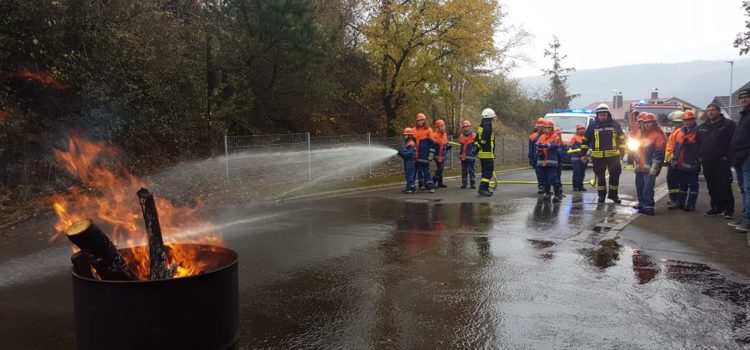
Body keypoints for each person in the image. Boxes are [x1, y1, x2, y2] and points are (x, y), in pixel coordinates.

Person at [581, 103, 627, 203]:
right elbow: (585, 141)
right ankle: (601, 196)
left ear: (608, 114)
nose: (602, 115)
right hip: (598, 157)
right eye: (600, 114)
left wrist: (622, 152)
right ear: (597, 115)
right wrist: (583, 154)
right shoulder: (592, 126)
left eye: (604, 114)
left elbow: (622, 139)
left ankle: (613, 195)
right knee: (600, 178)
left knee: (615, 176)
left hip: (613, 157)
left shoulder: (615, 124)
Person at [697, 103, 737, 220]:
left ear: (719, 111)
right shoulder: (702, 127)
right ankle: (716, 207)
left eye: (713, 110)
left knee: (724, 185)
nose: (710, 112)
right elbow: (698, 143)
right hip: (707, 161)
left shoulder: (728, 125)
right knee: (712, 185)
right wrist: (701, 155)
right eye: (708, 110)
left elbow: (734, 142)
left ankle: (728, 209)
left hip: (721, 161)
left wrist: (729, 157)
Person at [633, 113, 666, 215]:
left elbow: (659, 153)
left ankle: (648, 207)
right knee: (640, 186)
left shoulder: (657, 136)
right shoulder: (642, 135)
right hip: (640, 168)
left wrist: (655, 168)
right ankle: (642, 204)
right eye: (645, 123)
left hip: (650, 168)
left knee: (647, 188)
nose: (646, 125)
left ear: (654, 123)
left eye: (649, 122)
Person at [669, 110, 700, 211]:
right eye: (685, 120)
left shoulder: (698, 132)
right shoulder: (680, 133)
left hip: (693, 165)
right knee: (682, 185)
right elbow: (676, 148)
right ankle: (680, 203)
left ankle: (691, 204)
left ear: (693, 120)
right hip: (681, 164)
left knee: (693, 186)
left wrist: (698, 161)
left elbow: (701, 148)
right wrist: (674, 159)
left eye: (689, 120)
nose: (686, 122)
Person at [730, 89, 750, 232]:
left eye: (746, 97)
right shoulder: (744, 115)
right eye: (741, 98)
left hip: (747, 156)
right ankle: (745, 216)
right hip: (739, 157)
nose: (743, 100)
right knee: (743, 189)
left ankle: (748, 220)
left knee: (748, 189)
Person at [536, 120, 563, 202]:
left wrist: (546, 145)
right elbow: (537, 144)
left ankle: (557, 195)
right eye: (546, 128)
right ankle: (547, 193)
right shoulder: (542, 136)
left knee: (553, 179)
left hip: (551, 161)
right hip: (542, 161)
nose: (547, 130)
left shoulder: (555, 136)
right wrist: (539, 148)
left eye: (549, 128)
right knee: (545, 179)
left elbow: (555, 144)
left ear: (552, 128)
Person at [664, 111, 685, 207]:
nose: (671, 123)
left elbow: (677, 148)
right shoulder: (676, 131)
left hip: (675, 162)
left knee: (674, 181)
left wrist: (673, 159)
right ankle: (674, 199)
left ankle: (676, 200)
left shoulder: (680, 132)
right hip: (672, 161)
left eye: (674, 122)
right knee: (672, 180)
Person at [475, 108, 496, 197]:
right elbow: (484, 140)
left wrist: (477, 147)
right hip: (487, 153)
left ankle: (485, 188)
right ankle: (482, 189)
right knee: (488, 172)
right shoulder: (487, 126)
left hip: (482, 153)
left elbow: (477, 139)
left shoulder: (481, 126)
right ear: (490, 117)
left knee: (485, 172)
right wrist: (480, 145)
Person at [413, 113, 434, 190]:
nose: (420, 121)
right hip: (415, 155)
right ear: (417, 121)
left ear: (424, 120)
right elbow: (411, 142)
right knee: (415, 172)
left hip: (425, 154)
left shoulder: (428, 130)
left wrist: (431, 156)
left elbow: (432, 144)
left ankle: (430, 186)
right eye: (419, 120)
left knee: (426, 172)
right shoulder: (414, 130)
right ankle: (413, 186)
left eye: (422, 120)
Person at [431, 119, 451, 188]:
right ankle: (433, 182)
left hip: (443, 154)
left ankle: (440, 183)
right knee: (440, 168)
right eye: (441, 126)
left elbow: (445, 143)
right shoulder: (434, 135)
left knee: (441, 169)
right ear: (437, 127)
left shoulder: (444, 134)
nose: (443, 127)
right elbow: (433, 146)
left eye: (443, 126)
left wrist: (448, 146)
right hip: (437, 155)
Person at [396, 127, 417, 194]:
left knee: (410, 175)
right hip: (407, 161)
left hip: (410, 162)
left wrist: (401, 152)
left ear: (410, 135)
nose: (404, 136)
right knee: (407, 175)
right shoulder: (407, 143)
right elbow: (404, 153)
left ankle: (412, 188)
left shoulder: (411, 143)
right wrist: (400, 151)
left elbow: (409, 154)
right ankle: (408, 187)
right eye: (404, 135)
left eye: (405, 135)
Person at [529, 118, 546, 194]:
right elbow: (530, 148)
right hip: (536, 158)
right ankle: (541, 186)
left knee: (546, 174)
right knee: (539, 173)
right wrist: (531, 158)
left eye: (542, 126)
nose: (540, 128)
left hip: (546, 158)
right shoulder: (533, 136)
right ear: (537, 126)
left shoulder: (549, 136)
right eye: (539, 126)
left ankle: (546, 187)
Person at [458, 120, 478, 189]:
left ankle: (472, 184)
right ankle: (464, 184)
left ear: (469, 127)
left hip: (471, 156)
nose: (466, 128)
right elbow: (461, 146)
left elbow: (476, 145)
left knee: (471, 170)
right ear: (463, 128)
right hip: (463, 156)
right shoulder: (461, 136)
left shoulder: (474, 135)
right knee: (464, 171)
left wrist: (474, 152)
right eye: (464, 127)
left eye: (467, 126)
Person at [568, 123, 587, 191]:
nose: (582, 130)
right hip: (576, 158)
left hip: (584, 158)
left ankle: (580, 186)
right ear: (577, 130)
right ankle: (575, 186)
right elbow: (572, 146)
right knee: (577, 172)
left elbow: (589, 146)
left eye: (583, 129)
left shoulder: (586, 138)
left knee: (582, 173)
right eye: (580, 129)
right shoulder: (574, 137)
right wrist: (581, 154)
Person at [555, 127, 566, 194]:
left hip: (559, 162)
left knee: (558, 175)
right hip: (553, 162)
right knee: (554, 176)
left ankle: (559, 190)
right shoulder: (554, 142)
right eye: (557, 134)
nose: (559, 135)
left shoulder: (562, 142)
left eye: (559, 134)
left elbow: (565, 150)